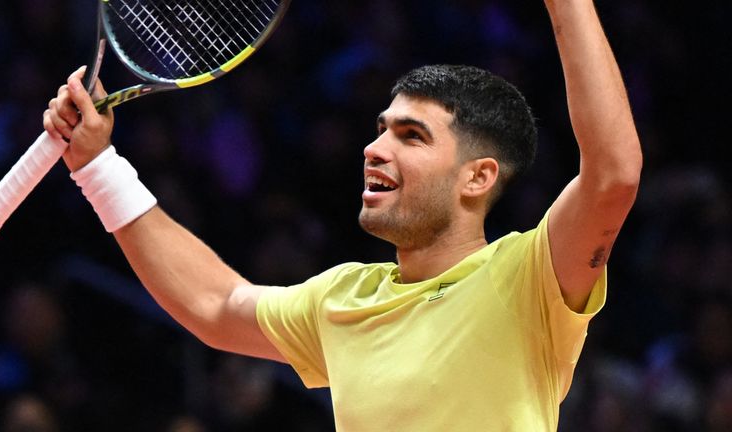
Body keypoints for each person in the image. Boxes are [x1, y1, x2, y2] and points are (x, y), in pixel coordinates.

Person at [43, 0, 641, 430]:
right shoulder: (344, 299)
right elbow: (215, 306)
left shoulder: (529, 278)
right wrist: (98, 167)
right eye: (380, 130)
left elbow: (612, 176)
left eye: (412, 136)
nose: (374, 148)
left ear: (478, 177)